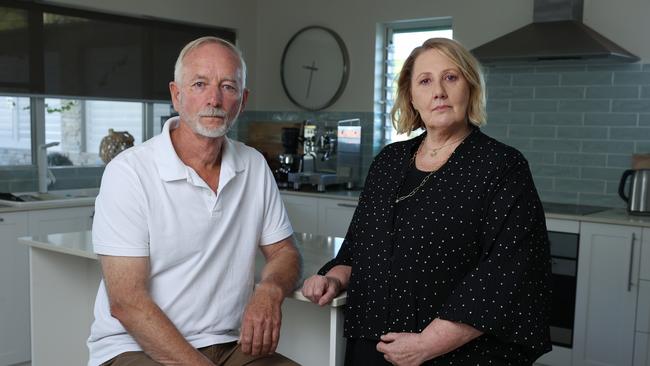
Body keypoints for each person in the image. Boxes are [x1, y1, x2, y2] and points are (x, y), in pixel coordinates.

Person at [302, 37, 552, 365]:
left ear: (470, 88)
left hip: (456, 355)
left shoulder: (502, 166)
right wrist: (333, 278)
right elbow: (357, 249)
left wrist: (428, 344)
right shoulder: (389, 161)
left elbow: (510, 272)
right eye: (425, 81)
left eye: (451, 77)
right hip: (373, 346)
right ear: (411, 96)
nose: (439, 91)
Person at [87, 36, 301, 366]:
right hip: (134, 345)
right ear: (177, 94)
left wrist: (270, 290)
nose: (214, 98)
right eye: (200, 84)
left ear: (242, 101)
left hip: (229, 343)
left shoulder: (254, 166)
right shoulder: (129, 173)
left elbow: (284, 252)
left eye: (228, 87)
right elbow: (127, 302)